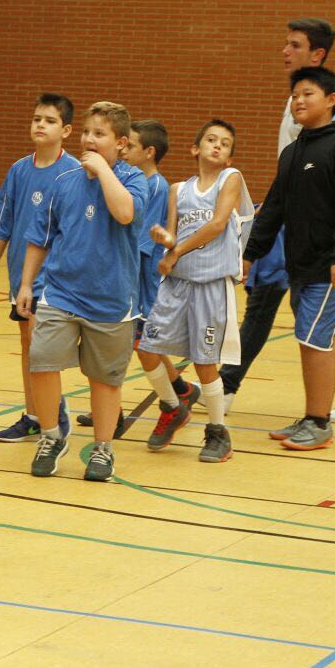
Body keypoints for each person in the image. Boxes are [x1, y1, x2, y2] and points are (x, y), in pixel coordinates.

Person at [221, 18, 335, 424]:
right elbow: (284, 185)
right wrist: (260, 231)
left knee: (297, 315)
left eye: (294, 45)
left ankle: (235, 387)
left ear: (318, 55)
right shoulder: (299, 111)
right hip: (295, 231)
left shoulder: (334, 131)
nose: (284, 51)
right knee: (315, 316)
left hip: (320, 237)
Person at [16, 101, 147, 482]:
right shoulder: (64, 182)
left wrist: (104, 171)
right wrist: (27, 284)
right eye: (87, 132)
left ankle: (103, 448)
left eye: (99, 134)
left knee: (105, 379)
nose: (89, 139)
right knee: (41, 361)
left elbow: (124, 213)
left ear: (120, 143)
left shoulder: (134, 180)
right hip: (60, 292)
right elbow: (39, 239)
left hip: (111, 299)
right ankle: (51, 436)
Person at [244, 67, 335, 452]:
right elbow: (274, 208)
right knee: (313, 339)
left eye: (308, 94)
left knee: (314, 339)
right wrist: (251, 254)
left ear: (331, 100)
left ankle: (320, 422)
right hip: (300, 263)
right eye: (295, 95)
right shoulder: (294, 151)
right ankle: (313, 415)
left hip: (333, 267)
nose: (298, 101)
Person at [140, 119, 253, 463]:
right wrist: (165, 241)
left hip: (210, 284)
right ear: (195, 148)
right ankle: (173, 407)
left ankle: (218, 432)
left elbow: (218, 224)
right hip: (177, 283)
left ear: (230, 157)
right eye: (211, 140)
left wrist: (176, 251)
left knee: (206, 362)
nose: (217, 146)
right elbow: (174, 235)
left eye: (225, 144)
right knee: (147, 347)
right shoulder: (178, 189)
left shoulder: (229, 179)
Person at [0, 94, 80, 442]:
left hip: (55, 279)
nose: (40, 125)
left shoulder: (75, 173)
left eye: (49, 120)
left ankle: (54, 412)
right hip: (20, 274)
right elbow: (2, 223)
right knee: (27, 344)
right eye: (37, 118)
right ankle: (35, 414)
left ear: (66, 130)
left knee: (40, 346)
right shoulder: (19, 170)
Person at [114, 120, 201, 440]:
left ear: (149, 152)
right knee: (143, 342)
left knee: (140, 343)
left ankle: (171, 405)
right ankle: (179, 388)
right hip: (137, 280)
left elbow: (140, 241)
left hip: (145, 281)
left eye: (131, 146)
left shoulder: (156, 187)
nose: (124, 150)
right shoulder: (138, 181)